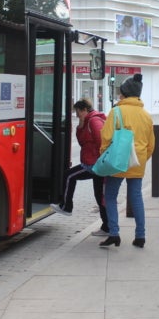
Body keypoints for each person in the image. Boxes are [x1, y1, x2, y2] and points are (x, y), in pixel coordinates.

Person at [98, 74, 155, 248]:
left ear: (124, 94)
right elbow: (151, 143)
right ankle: (140, 236)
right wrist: (142, 159)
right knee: (136, 197)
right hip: (138, 162)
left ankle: (114, 233)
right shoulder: (146, 115)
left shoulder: (116, 112)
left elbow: (106, 139)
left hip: (118, 161)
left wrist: (104, 158)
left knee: (110, 195)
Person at [50, 99, 109, 235]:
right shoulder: (88, 121)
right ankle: (107, 227)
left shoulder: (94, 121)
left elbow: (101, 141)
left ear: (84, 110)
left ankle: (66, 206)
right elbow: (82, 141)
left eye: (77, 112)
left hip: (94, 164)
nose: (76, 116)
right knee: (99, 195)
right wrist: (81, 126)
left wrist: (98, 160)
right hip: (94, 163)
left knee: (69, 176)